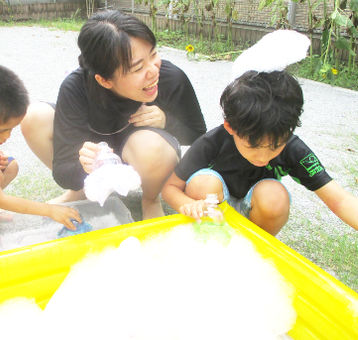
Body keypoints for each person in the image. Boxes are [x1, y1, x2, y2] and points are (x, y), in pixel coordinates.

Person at [21, 10, 207, 219]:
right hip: (98, 156)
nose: (153, 70)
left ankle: (150, 199)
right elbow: (63, 171)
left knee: (151, 147)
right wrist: (84, 165)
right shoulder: (76, 87)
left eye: (153, 54)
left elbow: (198, 134)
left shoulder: (170, 77)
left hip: (139, 153)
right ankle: (82, 190)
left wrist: (166, 121)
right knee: (34, 118)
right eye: (138, 68)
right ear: (104, 80)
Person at [161, 70, 358, 235]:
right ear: (230, 127)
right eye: (253, 147)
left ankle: (254, 245)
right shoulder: (212, 142)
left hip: (255, 210)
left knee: (274, 197)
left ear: (289, 131)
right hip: (213, 208)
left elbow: (339, 200)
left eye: (275, 146)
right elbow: (171, 188)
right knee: (203, 184)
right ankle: (209, 240)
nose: (263, 157)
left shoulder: (294, 148)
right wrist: (187, 204)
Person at [0, 65, 81, 242]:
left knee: (10, 166)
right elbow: (1, 199)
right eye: (1, 131)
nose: (7, 136)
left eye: (11, 129)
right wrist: (49, 210)